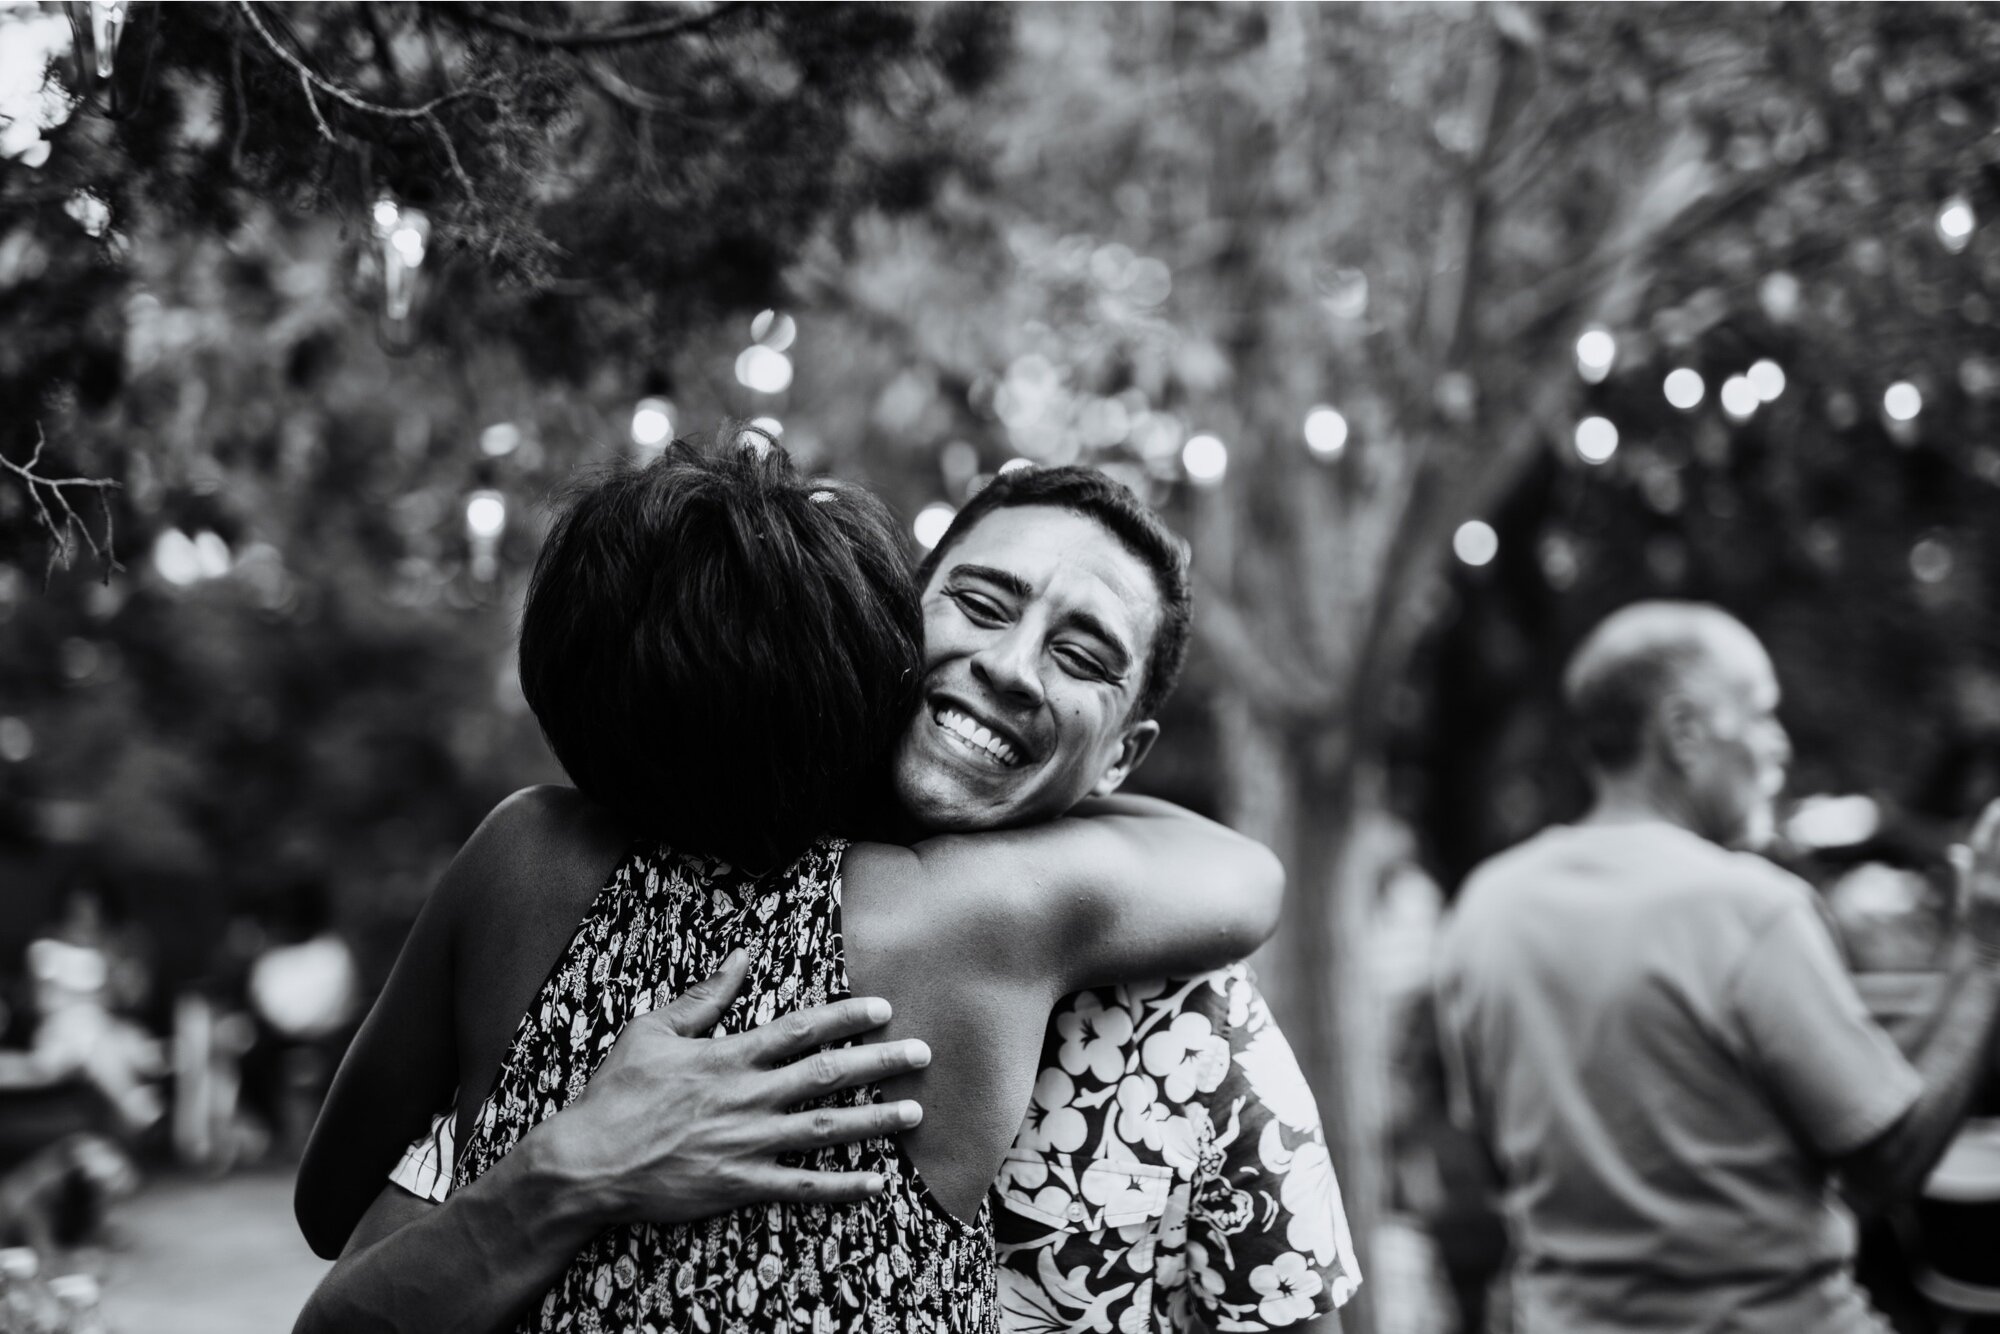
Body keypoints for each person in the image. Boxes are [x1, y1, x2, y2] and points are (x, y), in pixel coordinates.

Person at [293, 446, 1297, 1333]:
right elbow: (1245, 875)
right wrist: (571, 1166)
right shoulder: (982, 912)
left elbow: (327, 1202)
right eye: (979, 604)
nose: (1008, 665)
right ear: (882, 631)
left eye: (1079, 656)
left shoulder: (522, 854)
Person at [1433, 600, 2000, 1333]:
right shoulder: (1747, 906)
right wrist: (1983, 945)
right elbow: (1887, 1165)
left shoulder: (1487, 906)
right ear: (1685, 733)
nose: (1780, 745)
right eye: (1761, 714)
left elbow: (1490, 1161)